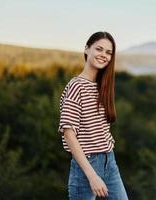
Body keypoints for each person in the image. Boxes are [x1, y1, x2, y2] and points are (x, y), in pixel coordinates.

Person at [58, 31, 129, 200]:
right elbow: (68, 134)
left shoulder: (101, 86)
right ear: (86, 49)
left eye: (108, 52)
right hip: (86, 166)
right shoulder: (77, 86)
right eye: (99, 49)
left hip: (109, 161)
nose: (103, 55)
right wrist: (92, 176)